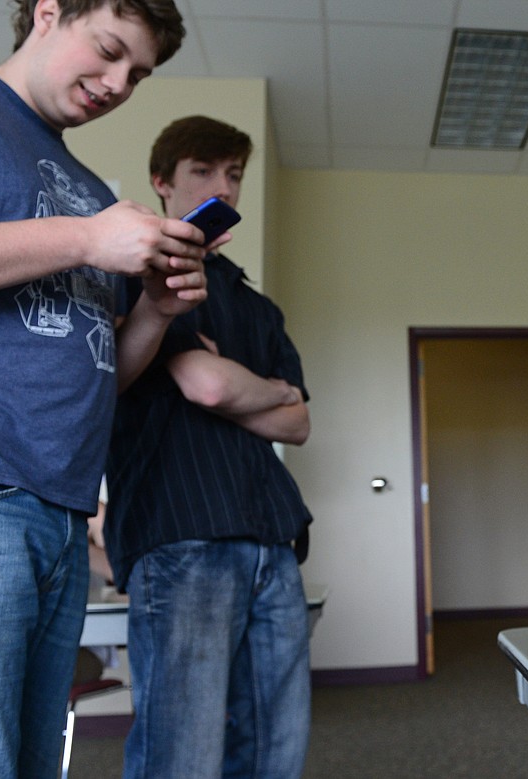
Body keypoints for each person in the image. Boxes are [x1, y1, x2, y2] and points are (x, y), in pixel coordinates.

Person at [0, 1, 212, 775]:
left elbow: (96, 373)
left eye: (139, 74)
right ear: (48, 12)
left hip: (57, 511)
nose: (119, 83)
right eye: (110, 49)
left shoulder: (91, 185)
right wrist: (89, 238)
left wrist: (154, 310)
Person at [105, 115, 314, 779]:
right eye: (204, 172)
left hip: (272, 540)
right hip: (181, 537)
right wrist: (268, 390)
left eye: (233, 175)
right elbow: (205, 386)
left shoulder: (259, 309)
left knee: (275, 752)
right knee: (182, 757)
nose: (223, 188)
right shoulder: (139, 279)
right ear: (163, 182)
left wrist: (255, 385)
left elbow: (300, 422)